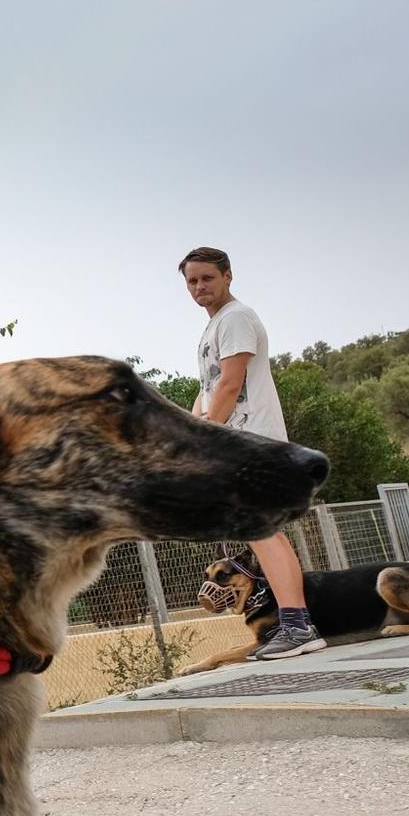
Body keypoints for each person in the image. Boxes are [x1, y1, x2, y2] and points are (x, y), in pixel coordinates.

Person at [179, 246, 325, 660]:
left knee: (263, 532)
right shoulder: (215, 328)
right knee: (261, 534)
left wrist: (207, 437)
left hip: (253, 442)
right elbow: (208, 389)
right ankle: (295, 624)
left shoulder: (236, 318)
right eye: (192, 281)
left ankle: (299, 627)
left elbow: (230, 384)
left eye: (207, 278)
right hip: (238, 444)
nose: (199, 287)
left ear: (227, 276)